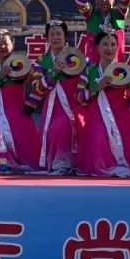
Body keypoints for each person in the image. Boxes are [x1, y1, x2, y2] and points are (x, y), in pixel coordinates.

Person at [75, 27, 130, 177]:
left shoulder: (124, 70)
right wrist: (96, 87)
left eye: (113, 44)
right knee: (98, 136)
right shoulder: (89, 71)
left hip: (122, 115)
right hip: (97, 115)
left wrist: (128, 96)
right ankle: (103, 167)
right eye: (105, 44)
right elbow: (79, 97)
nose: (109, 48)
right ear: (97, 48)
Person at [0, 28, 40, 174]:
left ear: (13, 45)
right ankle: (4, 165)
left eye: (5, 43)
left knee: (24, 140)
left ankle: (24, 164)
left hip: (19, 113)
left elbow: (39, 85)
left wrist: (32, 101)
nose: (2, 47)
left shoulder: (23, 65)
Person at [30, 19, 86, 174]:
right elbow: (37, 88)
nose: (56, 37)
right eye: (52, 34)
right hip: (53, 107)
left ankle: (77, 164)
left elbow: (87, 77)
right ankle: (60, 164)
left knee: (78, 130)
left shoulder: (77, 57)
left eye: (59, 34)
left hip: (75, 103)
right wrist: (53, 72)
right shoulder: (41, 61)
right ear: (47, 38)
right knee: (58, 129)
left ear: (65, 36)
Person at [74, 0, 129, 64]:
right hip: (93, 68)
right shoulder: (90, 15)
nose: (103, 0)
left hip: (117, 69)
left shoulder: (119, 14)